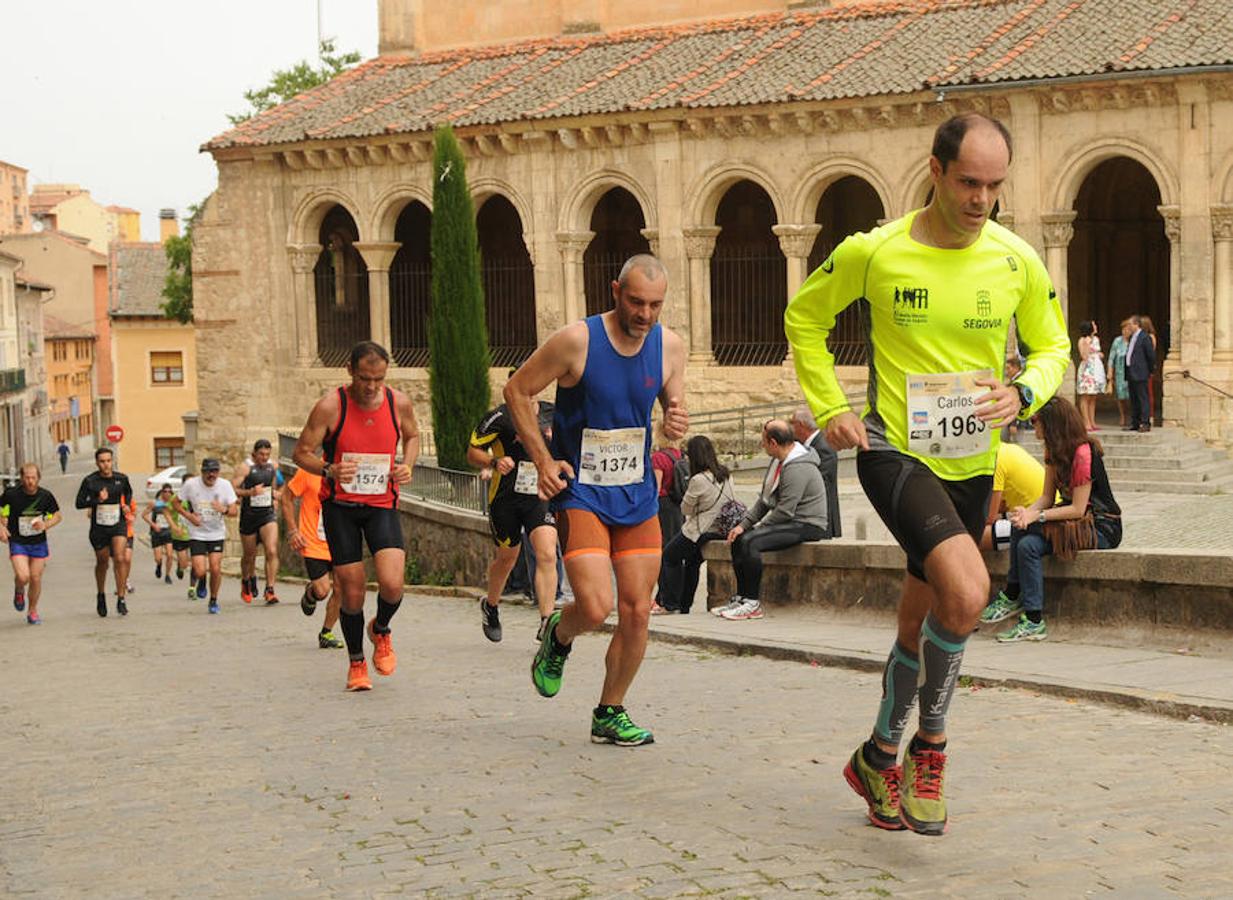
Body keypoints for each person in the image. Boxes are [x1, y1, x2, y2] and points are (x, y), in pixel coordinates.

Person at [785, 112, 1070, 835]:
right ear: (935, 171)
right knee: (970, 592)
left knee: (921, 624)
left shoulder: (1014, 259)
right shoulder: (875, 252)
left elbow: (1052, 345)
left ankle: (875, 756)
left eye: (994, 187)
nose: (981, 200)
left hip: (972, 464)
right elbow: (802, 320)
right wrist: (829, 409)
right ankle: (929, 746)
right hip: (894, 452)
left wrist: (1024, 392)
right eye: (968, 182)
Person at [505, 253, 688, 747]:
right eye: (636, 302)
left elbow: (674, 405)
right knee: (595, 604)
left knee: (637, 610)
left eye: (654, 304)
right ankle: (558, 638)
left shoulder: (670, 346)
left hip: (636, 491)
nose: (645, 314)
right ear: (614, 291)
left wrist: (675, 421)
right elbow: (517, 390)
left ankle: (610, 710)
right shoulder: (576, 340)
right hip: (582, 489)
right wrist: (543, 461)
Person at [292, 341, 419, 692]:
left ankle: (380, 629)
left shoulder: (399, 403)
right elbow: (301, 453)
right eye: (365, 378)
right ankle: (357, 662)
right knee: (351, 593)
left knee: (393, 585)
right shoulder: (330, 407)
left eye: (379, 379)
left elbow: (412, 436)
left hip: (381, 503)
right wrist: (329, 468)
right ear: (350, 371)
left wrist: (407, 465)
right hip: (341, 508)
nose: (372, 387)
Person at [979, 397, 1122, 641]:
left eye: (1037, 423)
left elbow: (1077, 509)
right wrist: (1027, 513)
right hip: (1075, 522)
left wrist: (1038, 516)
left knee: (1028, 536)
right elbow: (1046, 497)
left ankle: (1019, 603)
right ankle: (1029, 614)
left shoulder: (1083, 454)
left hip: (1101, 525)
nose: (1034, 428)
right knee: (1023, 536)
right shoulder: (1052, 452)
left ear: (1052, 425)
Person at [715, 419, 828, 621]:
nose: (762, 445)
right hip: (792, 521)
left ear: (773, 443)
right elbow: (765, 501)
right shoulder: (779, 461)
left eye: (763, 441)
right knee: (739, 537)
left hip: (808, 524)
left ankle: (752, 603)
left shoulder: (797, 466)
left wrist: (757, 528)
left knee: (751, 541)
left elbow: (785, 511)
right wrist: (742, 526)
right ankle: (741, 598)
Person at [466, 398, 559, 643]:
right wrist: (493, 462)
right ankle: (491, 605)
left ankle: (546, 621)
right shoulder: (499, 417)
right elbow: (472, 452)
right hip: (505, 498)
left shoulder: (552, 412)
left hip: (539, 496)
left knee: (547, 553)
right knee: (507, 558)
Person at [656, 435, 734, 614]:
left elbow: (685, 509)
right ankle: (683, 605)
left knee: (669, 556)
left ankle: (671, 604)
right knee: (692, 561)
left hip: (701, 530)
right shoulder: (725, 474)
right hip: (721, 528)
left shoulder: (698, 479)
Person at [280, 465, 344, 649]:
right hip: (314, 542)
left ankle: (326, 632)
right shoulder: (309, 471)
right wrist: (293, 531)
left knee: (340, 589)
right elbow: (286, 497)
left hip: (340, 541)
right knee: (323, 591)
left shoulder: (349, 470)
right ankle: (312, 593)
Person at [171, 458, 238, 614]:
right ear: (202, 472)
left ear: (218, 472)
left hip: (216, 533)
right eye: (208, 471)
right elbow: (175, 503)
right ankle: (201, 580)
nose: (211, 475)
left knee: (215, 568)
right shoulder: (191, 485)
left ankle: (213, 600)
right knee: (200, 570)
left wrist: (224, 509)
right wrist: (189, 517)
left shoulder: (225, 486)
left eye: (214, 471)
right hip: (197, 533)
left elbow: (234, 511)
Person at [75, 448, 135, 617]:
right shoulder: (90, 481)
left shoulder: (121, 479)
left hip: (118, 524)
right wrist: (97, 500)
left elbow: (128, 492)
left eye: (108, 461)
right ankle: (101, 594)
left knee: (120, 557)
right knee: (102, 562)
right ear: (97, 463)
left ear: (112, 461)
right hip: (99, 528)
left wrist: (126, 505)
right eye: (102, 461)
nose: (106, 464)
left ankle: (121, 598)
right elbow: (79, 503)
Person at [1, 464, 62, 624]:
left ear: (38, 478)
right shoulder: (11, 495)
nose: (30, 481)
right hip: (18, 541)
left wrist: (46, 525)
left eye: (33, 477)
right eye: (27, 477)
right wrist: (1, 526)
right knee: (23, 576)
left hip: (38, 542)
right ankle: (19, 589)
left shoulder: (45, 496)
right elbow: (1, 509)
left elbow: (57, 516)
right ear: (22, 478)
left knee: (35, 578)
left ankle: (32, 611)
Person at [233, 439, 283, 605]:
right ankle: (246, 580)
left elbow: (282, 485)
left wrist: (277, 495)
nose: (264, 457)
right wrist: (250, 492)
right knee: (249, 555)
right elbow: (232, 489)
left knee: (271, 550)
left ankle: (270, 589)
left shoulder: (273, 466)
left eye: (267, 454)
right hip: (249, 515)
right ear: (254, 453)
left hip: (267, 514)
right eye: (261, 454)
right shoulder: (245, 467)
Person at [978, 442, 1046, 551]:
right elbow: (1001, 506)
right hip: (1037, 512)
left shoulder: (994, 461)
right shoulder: (1007, 449)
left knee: (970, 538)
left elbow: (990, 517)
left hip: (1038, 522)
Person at [789, 405, 842, 538]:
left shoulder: (824, 447)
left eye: (792, 423)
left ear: (800, 425)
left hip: (821, 517)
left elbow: (822, 484)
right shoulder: (803, 444)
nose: (790, 427)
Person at [1124, 314, 1156, 432]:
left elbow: (1151, 356)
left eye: (1130, 324)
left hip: (1140, 372)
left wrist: (1150, 370)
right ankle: (1135, 422)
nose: (1129, 326)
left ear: (1136, 324)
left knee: (1143, 398)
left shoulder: (1144, 337)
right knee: (1134, 398)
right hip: (1131, 372)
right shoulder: (1133, 337)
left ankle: (1145, 423)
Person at [142, 484, 176, 584]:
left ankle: (168, 575)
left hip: (168, 532)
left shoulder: (173, 504)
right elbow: (143, 515)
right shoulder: (155, 503)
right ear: (161, 492)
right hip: (157, 532)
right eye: (165, 491)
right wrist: (153, 525)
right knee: (158, 558)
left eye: (169, 492)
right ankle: (159, 565)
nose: (167, 493)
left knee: (170, 555)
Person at [1075, 320, 1105, 431]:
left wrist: (1098, 354)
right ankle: (1085, 422)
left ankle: (1092, 421)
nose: (1096, 327)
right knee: (1085, 396)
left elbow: (1097, 352)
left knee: (1093, 396)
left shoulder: (1096, 339)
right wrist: (1087, 344)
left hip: (1096, 369)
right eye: (1094, 325)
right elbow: (1084, 356)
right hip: (1087, 370)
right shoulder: (1082, 340)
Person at [1106, 319, 1132, 428]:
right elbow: (1112, 358)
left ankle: (1131, 416)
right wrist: (1110, 372)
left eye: (1127, 329)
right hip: (1120, 373)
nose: (1125, 331)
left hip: (1131, 372)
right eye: (1123, 329)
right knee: (1121, 396)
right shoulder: (1117, 341)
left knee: (1131, 396)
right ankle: (1122, 415)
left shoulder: (1133, 341)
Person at [1140, 314, 1160, 426]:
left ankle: (1150, 416)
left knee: (1148, 392)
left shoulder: (1150, 337)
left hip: (1146, 368)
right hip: (1142, 368)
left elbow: (1150, 353)